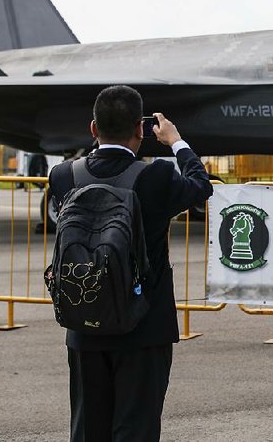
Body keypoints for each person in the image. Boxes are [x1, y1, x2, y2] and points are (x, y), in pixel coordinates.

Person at [48, 85, 213, 441]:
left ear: (93, 128)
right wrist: (176, 142)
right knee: (136, 427)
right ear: (140, 129)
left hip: (83, 317)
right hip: (144, 325)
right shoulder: (156, 177)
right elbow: (201, 185)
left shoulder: (63, 176)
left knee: (88, 427)